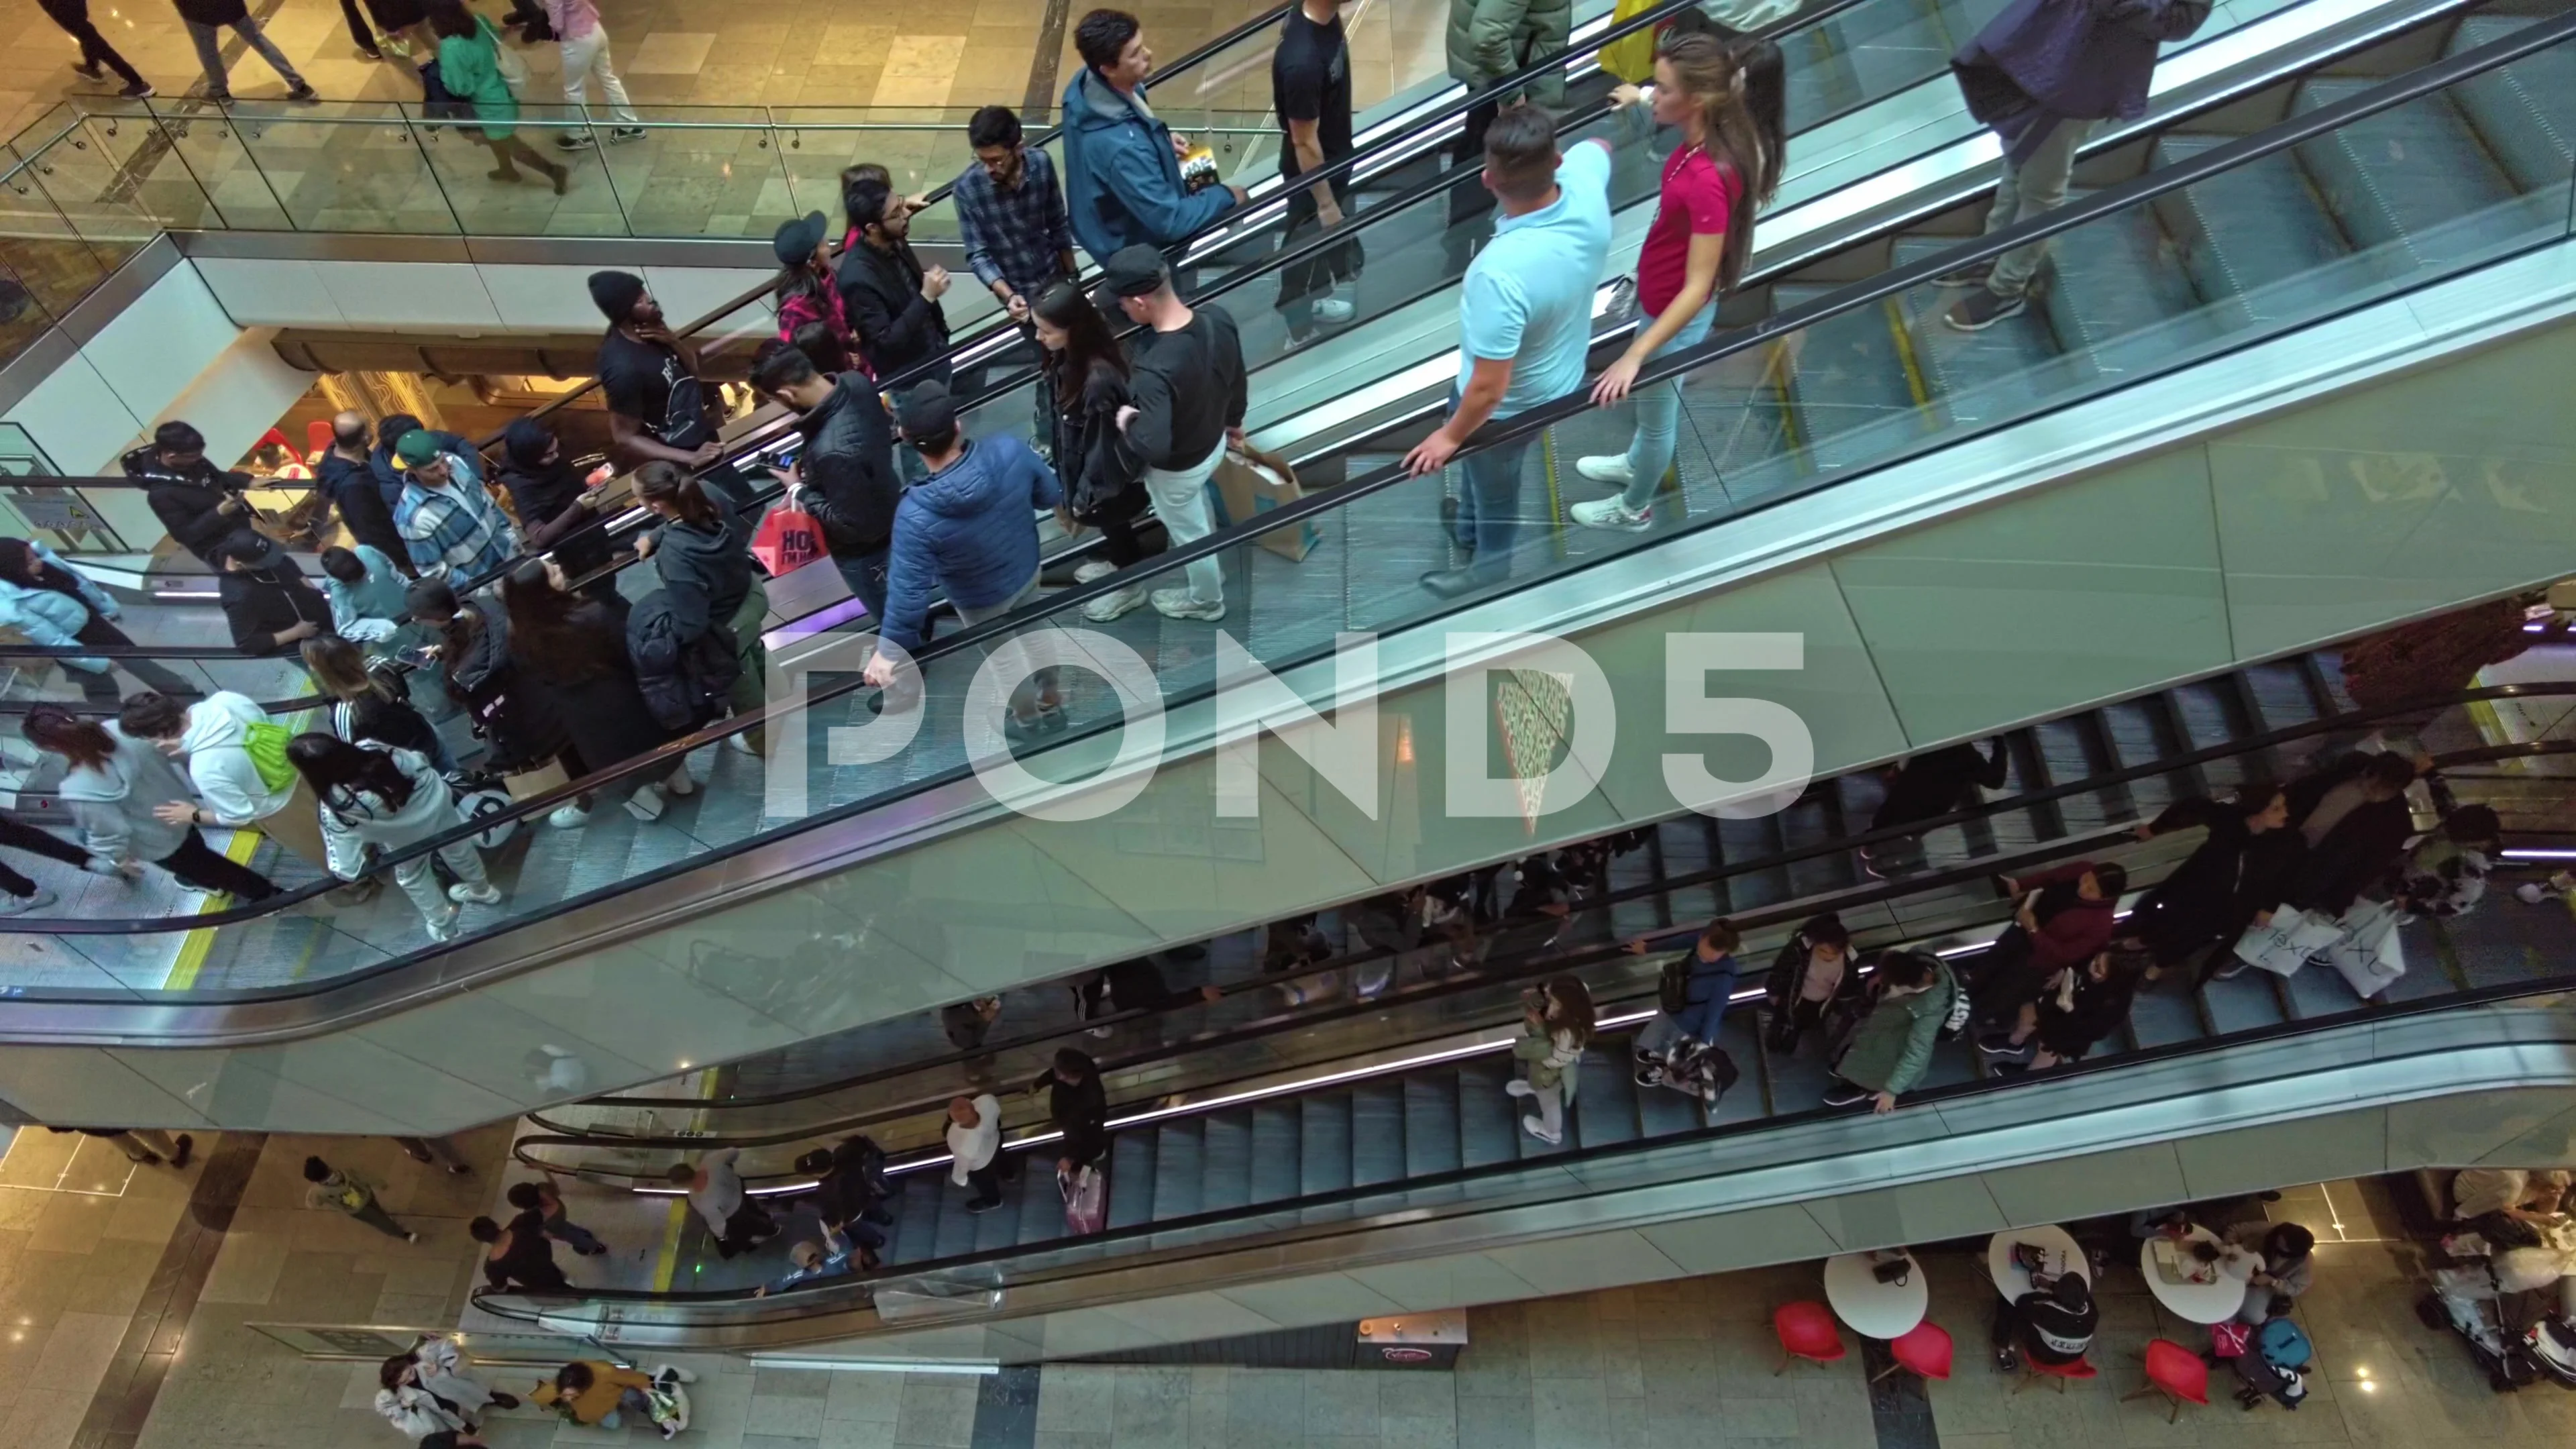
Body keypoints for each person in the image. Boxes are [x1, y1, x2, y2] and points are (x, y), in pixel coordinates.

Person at [1573, 33, 1783, 531]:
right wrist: (1643, 100)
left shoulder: (1711, 178)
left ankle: (1635, 507)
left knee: (1658, 415)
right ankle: (1634, 463)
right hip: (1659, 296)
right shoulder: (1703, 139)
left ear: (1700, 99)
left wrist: (1635, 354)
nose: (1654, 94)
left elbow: (1698, 284)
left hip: (1674, 311)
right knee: (1652, 412)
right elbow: (1671, 101)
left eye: (1663, 89)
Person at [1404, 108, 1615, 598]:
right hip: (1562, 379)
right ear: (1556, 161)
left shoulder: (1498, 274)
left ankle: (1490, 566)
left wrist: (1448, 437)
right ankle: (1471, 528)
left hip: (1509, 408)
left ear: (1487, 180)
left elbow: (1488, 388)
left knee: (1499, 481)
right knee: (1488, 469)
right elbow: (1601, 147)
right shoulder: (1583, 182)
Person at [1943, 0, 2209, 329]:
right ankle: (1992, 253)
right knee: (2020, 161)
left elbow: (2179, 21)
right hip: (2038, 51)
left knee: (2041, 185)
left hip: (2081, 79)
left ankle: (2007, 288)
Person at [861, 386, 1067, 745]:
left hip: (980, 599)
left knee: (1005, 659)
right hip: (1026, 569)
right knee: (1038, 635)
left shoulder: (915, 515)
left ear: (906, 439)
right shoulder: (1008, 450)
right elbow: (1048, 493)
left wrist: (888, 653)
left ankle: (1029, 722)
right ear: (957, 425)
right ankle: (1051, 701)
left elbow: (909, 593)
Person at [1104, 244, 1244, 623]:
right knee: (1197, 515)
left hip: (1179, 468)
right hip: (1214, 441)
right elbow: (1236, 376)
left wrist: (1128, 420)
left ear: (1140, 302)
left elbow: (1154, 446)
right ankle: (1214, 570)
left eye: (1123, 304)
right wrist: (1234, 422)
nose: (1123, 311)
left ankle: (1207, 601)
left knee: (1190, 535)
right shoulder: (1216, 317)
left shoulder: (1154, 369)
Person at [26, 706, 280, 902]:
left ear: (50, 747)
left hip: (156, 841)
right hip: (181, 810)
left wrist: (117, 860)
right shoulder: (120, 728)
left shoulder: (78, 787)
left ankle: (268, 895)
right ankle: (207, 879)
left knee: (206, 867)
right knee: (196, 852)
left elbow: (107, 832)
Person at [502, 559, 690, 818]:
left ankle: (650, 811)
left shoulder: (518, 639)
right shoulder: (591, 614)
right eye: (553, 573)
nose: (560, 569)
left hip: (580, 716)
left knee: (618, 771)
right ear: (543, 590)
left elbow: (533, 675)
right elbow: (624, 651)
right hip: (623, 695)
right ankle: (682, 784)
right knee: (656, 745)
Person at [1060, 9, 1247, 262]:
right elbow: (1171, 222)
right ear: (1108, 69)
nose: (1148, 55)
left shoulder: (1084, 87)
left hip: (1114, 225)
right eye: (1135, 54)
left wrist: (1157, 141)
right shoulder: (1123, 150)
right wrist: (1227, 195)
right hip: (1139, 251)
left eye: (1142, 45)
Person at [409, 578, 586, 829]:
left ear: (436, 617)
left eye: (418, 616)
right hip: (543, 689)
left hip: (525, 715)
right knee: (572, 747)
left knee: (565, 755)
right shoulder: (483, 606)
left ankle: (586, 801)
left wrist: (452, 665)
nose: (415, 621)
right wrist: (444, 651)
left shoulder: (468, 671)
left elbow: (462, 690)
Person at [290, 733, 500, 939]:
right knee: (459, 847)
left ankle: (446, 928)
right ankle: (483, 891)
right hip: (438, 804)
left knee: (414, 877)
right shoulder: (373, 748)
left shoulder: (336, 807)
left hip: (405, 839)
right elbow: (420, 761)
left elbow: (345, 868)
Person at [750, 341, 900, 623]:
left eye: (775, 399)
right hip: (891, 501)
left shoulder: (829, 451)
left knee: (887, 610)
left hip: (865, 551)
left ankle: (911, 656)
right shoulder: (856, 382)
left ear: (786, 393)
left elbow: (850, 524)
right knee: (901, 594)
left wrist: (798, 488)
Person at [1034, 284, 1152, 621]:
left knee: (1115, 521)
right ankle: (1121, 564)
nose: (1039, 338)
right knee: (1115, 527)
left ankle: (1131, 584)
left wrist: (1082, 499)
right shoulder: (1071, 360)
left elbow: (1103, 453)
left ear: (1074, 328)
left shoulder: (1097, 380)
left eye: (1046, 331)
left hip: (1107, 483)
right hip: (1090, 474)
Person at [631, 464, 766, 755]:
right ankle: (777, 699)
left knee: (745, 692)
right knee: (756, 654)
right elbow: (680, 517)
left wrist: (672, 640)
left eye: (637, 498)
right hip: (752, 595)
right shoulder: (704, 497)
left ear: (655, 506)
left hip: (729, 629)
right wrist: (655, 537)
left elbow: (692, 621)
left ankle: (764, 740)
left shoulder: (675, 557)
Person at [588, 271, 751, 508]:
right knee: (723, 504)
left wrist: (673, 341)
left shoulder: (651, 328)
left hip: (699, 432)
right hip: (679, 457)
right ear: (625, 313)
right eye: (640, 301)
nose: (650, 301)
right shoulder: (622, 368)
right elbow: (624, 436)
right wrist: (690, 458)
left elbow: (693, 370)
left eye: (646, 295)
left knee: (738, 491)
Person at [121, 688, 332, 870]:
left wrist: (193, 815)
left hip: (283, 811)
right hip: (307, 771)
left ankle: (356, 885)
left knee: (327, 850)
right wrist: (188, 744)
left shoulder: (204, 768)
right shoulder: (226, 699)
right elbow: (259, 723)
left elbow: (237, 816)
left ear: (159, 735)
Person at [2126, 784, 2306, 981]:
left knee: (2191, 936)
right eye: (2275, 808)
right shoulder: (2232, 819)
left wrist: (2268, 908)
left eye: (2283, 812)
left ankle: (2158, 966)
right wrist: (2154, 829)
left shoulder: (2289, 843)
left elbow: (2286, 878)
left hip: (2229, 905)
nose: (2280, 816)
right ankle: (2143, 940)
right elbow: (2193, 806)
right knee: (2165, 914)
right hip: (2194, 884)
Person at [0, 538, 202, 702]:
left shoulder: (48, 567)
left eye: (34, 556)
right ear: (13, 569)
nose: (38, 561)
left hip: (97, 627)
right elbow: (54, 641)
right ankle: (107, 733)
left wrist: (105, 607)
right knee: (102, 690)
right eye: (29, 562)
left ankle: (189, 699)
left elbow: (82, 587)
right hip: (76, 644)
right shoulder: (16, 604)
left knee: (141, 666)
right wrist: (98, 663)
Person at [1271, 0, 1362, 346]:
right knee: (1303, 250)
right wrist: (1325, 204)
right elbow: (1304, 141)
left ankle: (1315, 301)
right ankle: (1298, 329)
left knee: (1315, 247)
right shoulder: (1303, 62)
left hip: (1333, 158)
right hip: (1313, 175)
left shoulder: (1323, 17)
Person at [955, 105, 1078, 337]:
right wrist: (1009, 296)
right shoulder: (968, 190)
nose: (989, 168)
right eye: (982, 159)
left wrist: (1073, 276)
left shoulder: (1041, 164)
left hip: (1057, 280)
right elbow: (978, 254)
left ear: (1018, 147)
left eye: (996, 160)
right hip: (1021, 296)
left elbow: (1058, 223)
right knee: (1047, 357)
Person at [425, 0, 571, 193]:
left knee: (510, 144)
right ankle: (506, 169)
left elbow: (460, 88)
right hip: (500, 89)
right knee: (497, 138)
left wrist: (442, 70)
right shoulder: (478, 20)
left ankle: (554, 171)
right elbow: (495, 38)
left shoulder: (451, 48)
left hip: (487, 105)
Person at [1971, 860, 2126, 1027]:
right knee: (1984, 971)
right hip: (2019, 934)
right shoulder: (2082, 868)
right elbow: (2051, 877)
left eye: (2091, 890)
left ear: (2105, 897)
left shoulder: (2100, 924)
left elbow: (2064, 955)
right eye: (2086, 879)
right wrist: (2020, 885)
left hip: (2034, 962)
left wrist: (2033, 930)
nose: (2083, 887)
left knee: (1999, 994)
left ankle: (1968, 1019)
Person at [837, 174, 953, 385]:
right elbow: (886, 341)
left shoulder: (891, 236)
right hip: (910, 376)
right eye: (896, 213)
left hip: (934, 348)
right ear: (872, 228)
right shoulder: (857, 280)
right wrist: (926, 296)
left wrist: (901, 206)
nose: (905, 214)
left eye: (901, 204)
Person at [1821, 949, 1959, 1112]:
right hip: (1883, 1029)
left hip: (1893, 1048)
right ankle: (1852, 1074)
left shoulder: (1930, 1009)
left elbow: (1918, 1052)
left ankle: (1865, 1090)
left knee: (1875, 1066)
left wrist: (1892, 1090)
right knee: (1864, 1050)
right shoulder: (1913, 964)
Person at [494, 417, 615, 604]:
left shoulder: (553, 460)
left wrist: (588, 484)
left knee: (608, 581)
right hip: (574, 550)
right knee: (598, 592)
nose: (556, 456)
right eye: (548, 455)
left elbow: (567, 489)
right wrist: (578, 507)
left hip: (592, 531)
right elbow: (539, 537)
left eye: (555, 450)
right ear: (530, 458)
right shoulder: (522, 485)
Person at [1980, 942, 2151, 1069]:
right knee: (2028, 1012)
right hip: (2056, 1003)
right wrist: (2064, 972)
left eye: (2098, 968)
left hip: (2070, 1026)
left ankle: (2030, 1075)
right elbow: (2080, 963)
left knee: (2047, 1049)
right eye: (2096, 960)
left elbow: (2092, 1030)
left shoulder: (2113, 1005)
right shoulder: (2098, 967)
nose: (2092, 966)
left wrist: (2070, 1009)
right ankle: (2014, 1043)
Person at [393, 429, 521, 583]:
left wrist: (513, 540)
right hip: (484, 586)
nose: (443, 471)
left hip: (512, 559)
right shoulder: (411, 518)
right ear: (412, 470)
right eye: (432, 469)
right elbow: (432, 571)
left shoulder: (456, 462)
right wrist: (480, 590)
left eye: (442, 461)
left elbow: (487, 502)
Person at [303, 635, 449, 769]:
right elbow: (403, 690)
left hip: (405, 765)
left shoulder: (347, 714)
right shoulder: (382, 666)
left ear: (324, 672)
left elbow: (356, 751)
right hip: (426, 735)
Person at [128, 420, 254, 567]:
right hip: (220, 550)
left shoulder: (192, 461)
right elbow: (184, 535)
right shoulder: (160, 495)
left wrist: (248, 481)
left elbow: (215, 476)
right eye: (193, 456)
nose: (200, 458)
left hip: (241, 533)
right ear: (172, 456)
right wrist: (219, 513)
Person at [1629, 918, 1739, 1080]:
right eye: (1706, 948)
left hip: (1690, 1024)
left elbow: (1715, 1012)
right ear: (1702, 938)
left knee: (1675, 1053)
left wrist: (1703, 1042)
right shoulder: (1700, 939)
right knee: (1661, 1034)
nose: (1710, 955)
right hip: (1676, 1005)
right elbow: (1680, 942)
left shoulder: (1723, 978)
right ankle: (1656, 1055)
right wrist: (1647, 948)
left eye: (1717, 953)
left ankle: (1661, 1071)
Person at [312, 411, 412, 570]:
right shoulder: (354, 487)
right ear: (365, 438)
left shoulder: (336, 451)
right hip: (394, 547)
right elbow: (372, 530)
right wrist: (402, 558)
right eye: (369, 428)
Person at [208, 531, 333, 656]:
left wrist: (314, 592)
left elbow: (288, 565)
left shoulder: (267, 555)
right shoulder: (238, 595)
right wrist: (298, 632)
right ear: (240, 563)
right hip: (303, 643)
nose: (273, 560)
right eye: (265, 561)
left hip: (324, 619)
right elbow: (247, 644)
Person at [1506, 975, 1593, 1144]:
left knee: (1549, 1100)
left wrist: (1545, 1063)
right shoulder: (1577, 995)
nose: (1550, 1004)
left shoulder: (1568, 1032)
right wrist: (1539, 993)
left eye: (1554, 1001)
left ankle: (1552, 1132)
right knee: (1538, 1082)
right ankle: (1533, 1087)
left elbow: (1559, 1058)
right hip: (1550, 1059)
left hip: (1552, 1069)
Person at [541, 0, 643, 146]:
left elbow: (557, 23)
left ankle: (580, 135)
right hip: (595, 29)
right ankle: (629, 126)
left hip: (577, 39)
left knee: (574, 89)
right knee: (609, 79)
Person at [175, 0, 315, 103]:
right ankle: (299, 85)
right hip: (232, 6)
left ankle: (219, 91)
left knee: (208, 51)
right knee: (258, 40)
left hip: (197, 11)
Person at [376, 1340, 515, 1442]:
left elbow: (447, 1347)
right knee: (454, 1417)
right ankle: (467, 1427)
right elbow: (384, 1406)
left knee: (476, 1395)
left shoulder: (424, 1357)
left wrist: (443, 1365)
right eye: (404, 1381)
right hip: (440, 1406)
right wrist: (401, 1408)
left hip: (456, 1389)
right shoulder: (394, 1392)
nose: (411, 1379)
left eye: (411, 1373)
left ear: (409, 1364)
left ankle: (493, 1398)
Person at [771, 211, 859, 368]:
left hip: (857, 354)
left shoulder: (827, 274)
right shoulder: (794, 311)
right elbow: (800, 357)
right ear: (812, 263)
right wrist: (846, 360)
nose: (829, 243)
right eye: (823, 244)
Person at [667, 1147, 775, 1258]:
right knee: (750, 1205)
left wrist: (721, 1237)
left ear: (683, 1183)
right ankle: (766, 1217)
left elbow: (718, 1223)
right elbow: (734, 1152)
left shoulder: (700, 1200)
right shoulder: (710, 1161)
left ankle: (768, 1231)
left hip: (733, 1212)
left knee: (746, 1225)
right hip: (738, 1188)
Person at [534, 1360, 692, 1433]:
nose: (567, 1398)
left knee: (634, 1397)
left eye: (569, 1394)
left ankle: (647, 1398)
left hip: (616, 1393)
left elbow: (630, 1378)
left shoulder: (604, 1373)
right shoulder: (563, 1384)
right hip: (602, 1407)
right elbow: (545, 1394)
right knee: (614, 1424)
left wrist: (646, 1386)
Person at [1991, 1267, 2097, 1373]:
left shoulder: (2049, 1314)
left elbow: (2021, 1302)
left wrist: (2046, 1295)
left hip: (2045, 1357)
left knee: (2007, 1305)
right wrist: (2051, 1286)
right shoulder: (2093, 1313)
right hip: (2074, 1358)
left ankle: (2002, 1353)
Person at [44, 0, 151, 97]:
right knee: (84, 34)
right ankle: (92, 67)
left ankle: (137, 82)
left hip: (61, 5)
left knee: (94, 41)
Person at [1033, 1048, 1110, 1177]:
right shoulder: (1077, 1066)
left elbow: (1074, 1132)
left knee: (1088, 1150)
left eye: (1059, 1073)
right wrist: (1038, 1084)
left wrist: (1069, 1157)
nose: (1056, 1075)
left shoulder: (1089, 1102)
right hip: (1072, 1122)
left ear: (1067, 1076)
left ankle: (1096, 1163)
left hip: (1086, 1134)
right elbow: (1053, 1073)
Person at [302, 1154, 417, 1241]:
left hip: (357, 1209)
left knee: (378, 1220)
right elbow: (363, 1177)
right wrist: (380, 1183)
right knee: (378, 1211)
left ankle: (402, 1234)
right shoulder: (344, 1171)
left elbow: (313, 1204)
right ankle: (392, 1224)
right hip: (367, 1194)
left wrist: (310, 1194)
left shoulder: (319, 1191)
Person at [2226, 1221, 2315, 1325]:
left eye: (2283, 1246)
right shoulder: (2271, 1230)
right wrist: (2231, 1248)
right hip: (2241, 1262)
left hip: (2266, 1286)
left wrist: (2273, 1282)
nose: (2277, 1242)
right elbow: (2235, 1230)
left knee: (2255, 1317)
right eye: (2279, 1239)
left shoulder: (2305, 1264)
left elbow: (2295, 1289)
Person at [505, 1177, 608, 1256]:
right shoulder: (543, 1190)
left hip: (555, 1226)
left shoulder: (537, 1217)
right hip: (560, 1213)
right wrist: (542, 1169)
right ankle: (584, 1234)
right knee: (568, 1228)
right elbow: (555, 1187)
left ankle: (595, 1247)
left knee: (572, 1237)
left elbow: (544, 1234)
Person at [470, 1212, 570, 1293]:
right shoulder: (519, 1224)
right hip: (546, 1261)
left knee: (559, 1292)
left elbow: (501, 1288)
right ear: (496, 1224)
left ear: (481, 1240)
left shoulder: (493, 1266)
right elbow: (539, 1216)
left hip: (537, 1282)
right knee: (555, 1276)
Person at [947, 1093, 1006, 1214]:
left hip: (982, 1166)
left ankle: (994, 1201)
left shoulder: (963, 1145)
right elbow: (993, 1102)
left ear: (955, 1120)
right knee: (1001, 1159)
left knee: (987, 1184)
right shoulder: (987, 1103)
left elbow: (961, 1167)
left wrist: (961, 1179)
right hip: (996, 1141)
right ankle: (1009, 1174)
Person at [755, 1240, 857, 1297]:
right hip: (839, 1292)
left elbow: (785, 1281)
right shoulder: (832, 1262)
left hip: (840, 1291)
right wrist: (768, 1287)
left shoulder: (802, 1274)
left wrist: (767, 1288)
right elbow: (849, 1253)